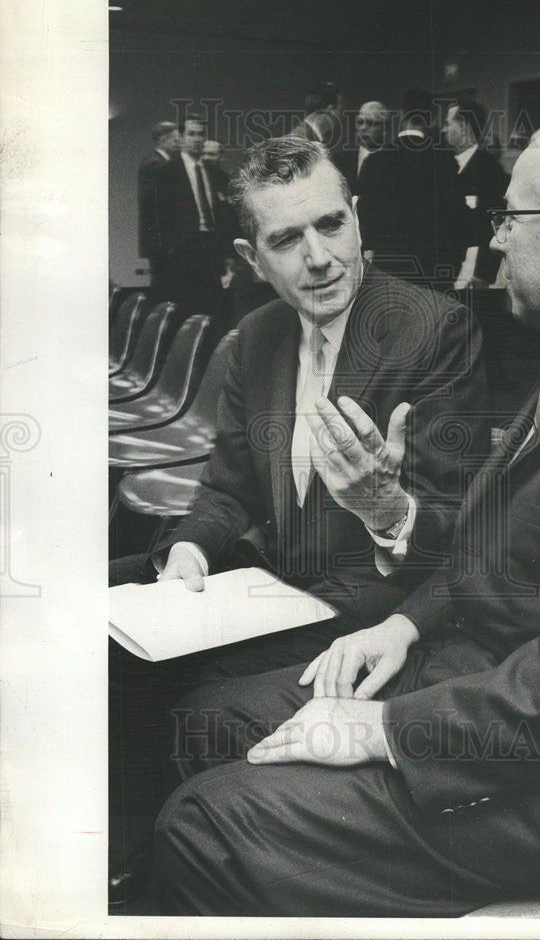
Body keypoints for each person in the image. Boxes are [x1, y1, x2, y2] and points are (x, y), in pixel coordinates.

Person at [153, 119, 540, 917]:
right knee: (211, 722)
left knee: (202, 825)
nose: (496, 240)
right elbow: (493, 546)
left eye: (510, 218)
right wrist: (403, 626)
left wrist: (382, 730)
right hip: (482, 679)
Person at [108, 136, 489, 902]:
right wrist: (187, 550)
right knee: (102, 623)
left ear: (356, 218)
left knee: (190, 695)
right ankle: (128, 859)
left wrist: (386, 506)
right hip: (278, 583)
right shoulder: (256, 338)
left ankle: (170, 872)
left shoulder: (433, 328)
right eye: (287, 239)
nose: (318, 258)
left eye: (331, 226)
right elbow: (226, 490)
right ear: (254, 258)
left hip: (379, 606)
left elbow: (458, 534)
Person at [357, 88, 469, 290]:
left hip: (388, 274)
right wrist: (451, 270)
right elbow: (459, 221)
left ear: (401, 114)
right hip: (434, 275)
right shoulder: (445, 161)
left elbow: (365, 222)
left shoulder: (375, 162)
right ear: (432, 120)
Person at [153, 114, 238, 329]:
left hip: (211, 247)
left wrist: (227, 252)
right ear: (181, 137)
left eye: (201, 134)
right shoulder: (167, 171)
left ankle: (211, 359)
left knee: (213, 310)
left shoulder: (214, 173)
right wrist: (169, 250)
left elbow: (224, 216)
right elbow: (160, 215)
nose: (197, 139)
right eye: (191, 134)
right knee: (184, 311)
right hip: (183, 249)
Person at [443, 96, 508, 286]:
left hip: (472, 271)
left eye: (448, 124)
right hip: (445, 266)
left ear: (463, 127)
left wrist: (483, 274)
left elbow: (495, 224)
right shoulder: (442, 167)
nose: (444, 129)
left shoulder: (490, 169)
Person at [137, 120, 180, 300]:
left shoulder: (161, 162)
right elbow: (154, 203)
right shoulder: (155, 163)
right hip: (161, 239)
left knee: (168, 284)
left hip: (163, 238)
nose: (179, 143)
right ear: (163, 139)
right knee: (164, 287)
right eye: (175, 139)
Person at [334, 100, 388, 195]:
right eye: (360, 122)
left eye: (371, 123)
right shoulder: (339, 161)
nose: (363, 128)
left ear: (384, 128)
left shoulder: (393, 161)